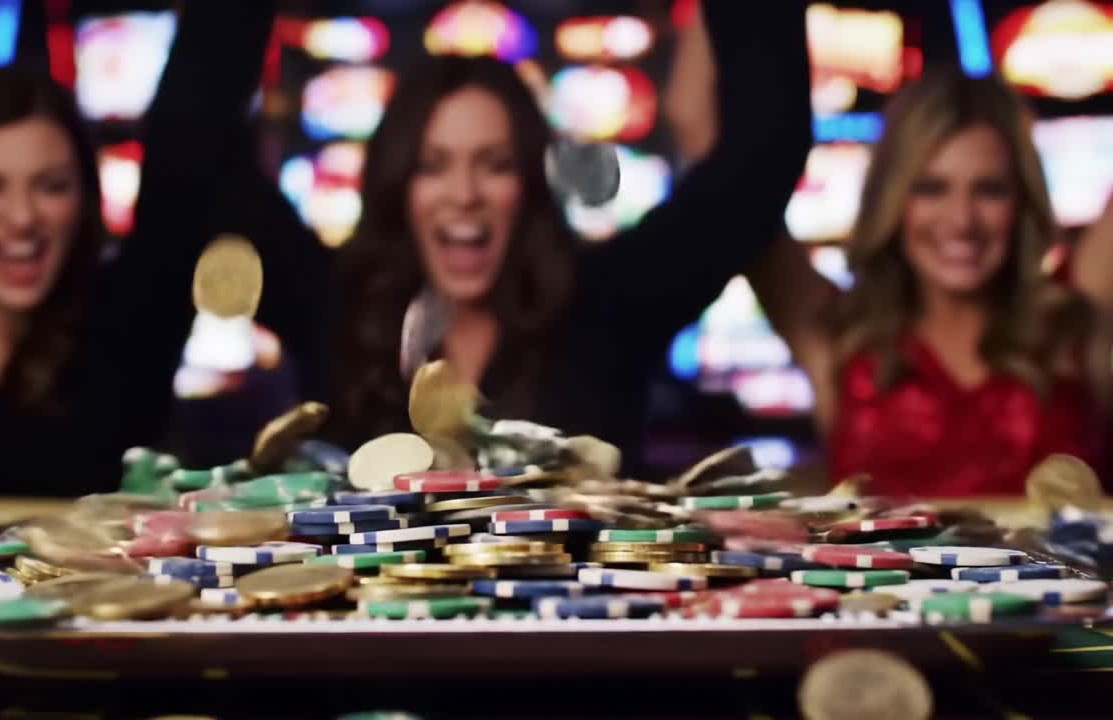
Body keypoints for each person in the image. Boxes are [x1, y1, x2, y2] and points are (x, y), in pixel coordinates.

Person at [314, 1, 812, 475]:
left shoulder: (605, 303)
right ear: (396, 184)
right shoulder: (339, 308)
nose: (464, 194)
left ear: (532, 182)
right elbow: (230, 166)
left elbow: (762, 153)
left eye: (497, 164)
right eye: (432, 165)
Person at [0, 3, 288, 494]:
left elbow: (199, 115)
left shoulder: (127, 327)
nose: (23, 217)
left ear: (85, 196)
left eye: (51, 186)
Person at [744, 67, 1112, 496]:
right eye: (931, 188)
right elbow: (715, 151)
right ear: (893, 199)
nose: (962, 221)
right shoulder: (841, 336)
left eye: (990, 189)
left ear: (1023, 200)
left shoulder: (1074, 318)